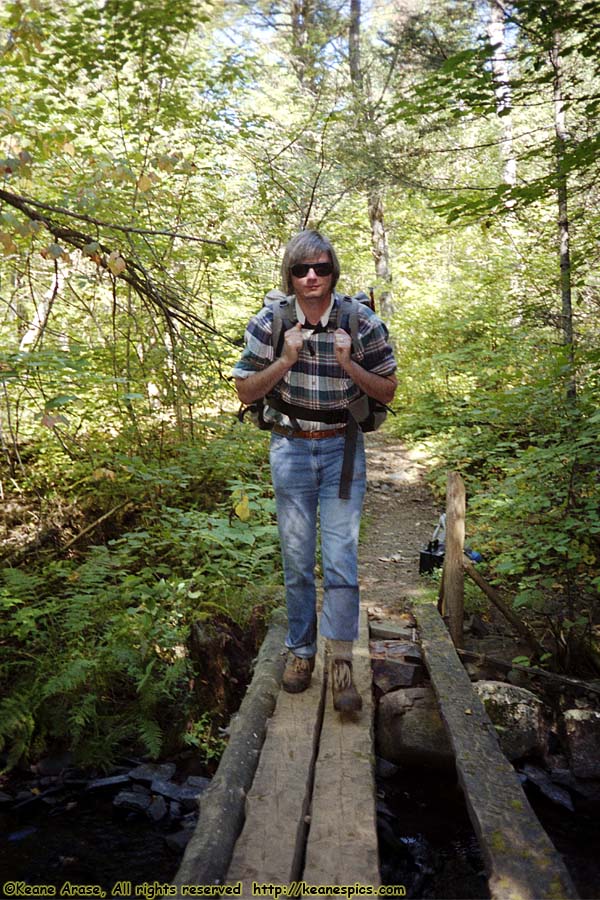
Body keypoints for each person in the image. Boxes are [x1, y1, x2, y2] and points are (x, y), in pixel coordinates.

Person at [233, 230, 397, 713]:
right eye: (302, 269)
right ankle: (301, 652)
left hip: (341, 451)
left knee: (342, 559)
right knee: (297, 560)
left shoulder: (360, 322)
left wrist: (348, 363)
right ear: (289, 273)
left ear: (333, 273)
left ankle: (341, 659)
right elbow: (245, 391)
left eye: (321, 268)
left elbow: (387, 390)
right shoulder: (272, 321)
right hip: (290, 448)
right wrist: (285, 358)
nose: (311, 277)